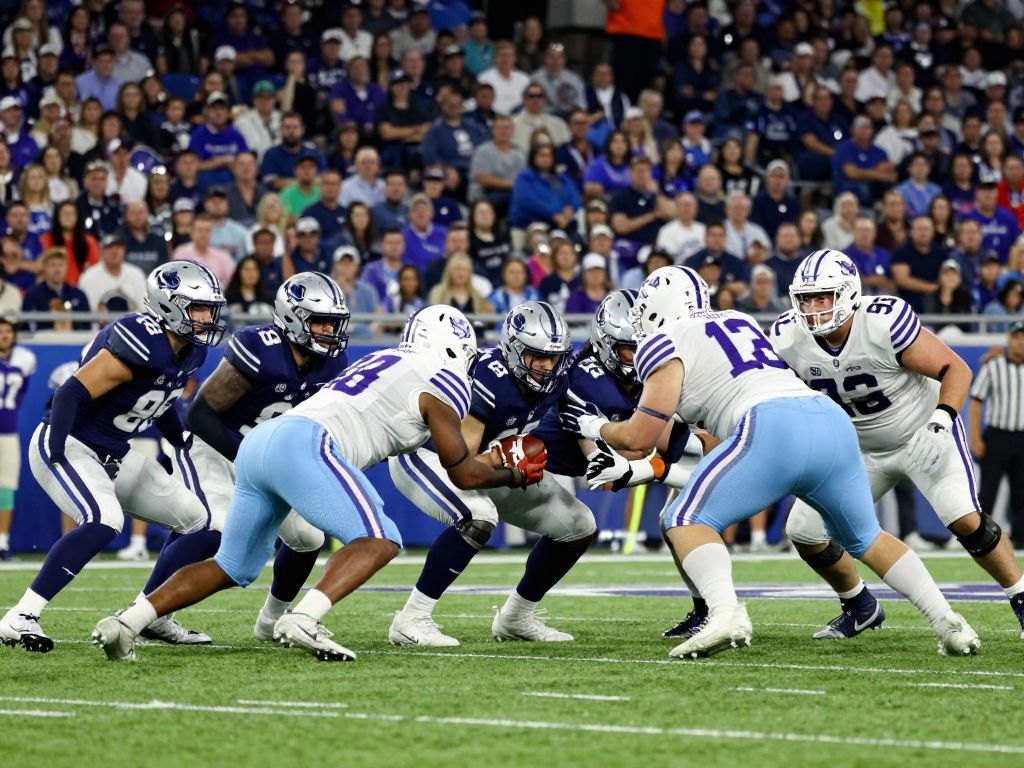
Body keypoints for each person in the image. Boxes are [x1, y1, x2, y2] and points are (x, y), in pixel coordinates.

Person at [569, 264, 981, 659]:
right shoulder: (741, 320)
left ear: (655, 308)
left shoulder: (665, 339)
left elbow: (640, 438)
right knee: (866, 537)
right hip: (830, 420)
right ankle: (948, 621)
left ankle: (726, 613)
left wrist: (593, 426)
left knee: (682, 520)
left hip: (770, 425)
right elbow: (676, 441)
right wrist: (640, 466)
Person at [93, 305, 541, 662]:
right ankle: (303, 618)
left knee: (233, 566)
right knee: (381, 538)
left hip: (262, 443)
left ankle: (128, 621)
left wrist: (494, 463)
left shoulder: (386, 360)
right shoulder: (444, 376)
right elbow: (462, 471)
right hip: (306, 444)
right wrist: (513, 471)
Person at [771, 250, 1024, 641]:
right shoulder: (788, 338)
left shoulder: (883, 323)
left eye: (823, 297)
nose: (813, 308)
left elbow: (955, 368)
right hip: (856, 449)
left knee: (963, 517)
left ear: (848, 293)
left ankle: (1021, 597)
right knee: (804, 529)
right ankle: (859, 605)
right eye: (806, 298)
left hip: (921, 433)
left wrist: (941, 420)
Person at [0, 262, 225, 653]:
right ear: (169, 306)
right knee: (105, 520)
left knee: (202, 523)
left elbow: (163, 397)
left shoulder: (189, 352)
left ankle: (149, 614)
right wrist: (56, 452)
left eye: (209, 309)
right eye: (198, 309)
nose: (207, 318)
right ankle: (21, 615)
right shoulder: (139, 338)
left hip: (115, 454)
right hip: (70, 442)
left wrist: (180, 440)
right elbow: (71, 393)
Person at [387, 302, 589, 646]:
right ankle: (411, 618)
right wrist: (510, 460)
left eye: (553, 358)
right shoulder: (487, 376)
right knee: (477, 516)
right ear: (512, 350)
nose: (545, 366)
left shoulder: (558, 379)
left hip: (489, 464)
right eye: (536, 356)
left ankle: (516, 618)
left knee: (578, 525)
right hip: (428, 455)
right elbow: (463, 460)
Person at [970, 320, 1024, 553]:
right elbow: (976, 402)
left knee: (1021, 493)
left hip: (1022, 438)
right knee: (988, 490)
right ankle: (981, 538)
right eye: (1016, 337)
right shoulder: (993, 366)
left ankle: (1021, 540)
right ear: (1009, 339)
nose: (1020, 342)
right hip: (997, 435)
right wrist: (975, 438)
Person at [0, 318, 35, 560]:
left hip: (8, 432)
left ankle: (2, 543)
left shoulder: (23, 360)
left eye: (7, 331)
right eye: (0, 331)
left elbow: (20, 393)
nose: (4, 335)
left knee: (6, 488)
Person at [509, 143, 580, 232]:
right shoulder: (525, 178)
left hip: (562, 221)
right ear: (533, 157)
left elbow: (575, 196)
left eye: (549, 156)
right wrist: (552, 215)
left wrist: (571, 208)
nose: (546, 159)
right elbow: (527, 201)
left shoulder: (562, 178)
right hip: (532, 223)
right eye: (542, 155)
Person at [832, 116, 897, 208]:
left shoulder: (879, 151)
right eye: (862, 127)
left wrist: (863, 173)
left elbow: (891, 175)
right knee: (863, 189)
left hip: (875, 187)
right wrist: (878, 174)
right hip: (848, 187)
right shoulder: (844, 148)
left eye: (868, 128)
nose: (865, 131)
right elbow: (852, 173)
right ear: (853, 130)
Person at [22, 248, 91, 331]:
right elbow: (28, 327)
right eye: (52, 265)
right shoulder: (32, 295)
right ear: (44, 268)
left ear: (66, 267)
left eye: (61, 265)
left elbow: (87, 326)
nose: (57, 269)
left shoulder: (79, 295)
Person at [79, 233, 147, 313]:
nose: (114, 252)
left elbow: (144, 309)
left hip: (131, 324)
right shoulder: (89, 277)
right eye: (109, 248)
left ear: (124, 250)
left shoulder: (136, 274)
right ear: (101, 251)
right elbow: (87, 314)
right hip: (101, 324)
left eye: (118, 247)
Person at [172, 215, 235, 287]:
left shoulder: (223, 256)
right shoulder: (181, 253)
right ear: (191, 233)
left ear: (212, 233)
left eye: (207, 231)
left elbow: (232, 282)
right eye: (200, 230)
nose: (203, 235)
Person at [427, 253, 491, 314]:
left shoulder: (477, 295)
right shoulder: (438, 293)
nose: (461, 273)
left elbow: (483, 322)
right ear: (449, 271)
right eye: (457, 269)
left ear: (470, 272)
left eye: (464, 269)